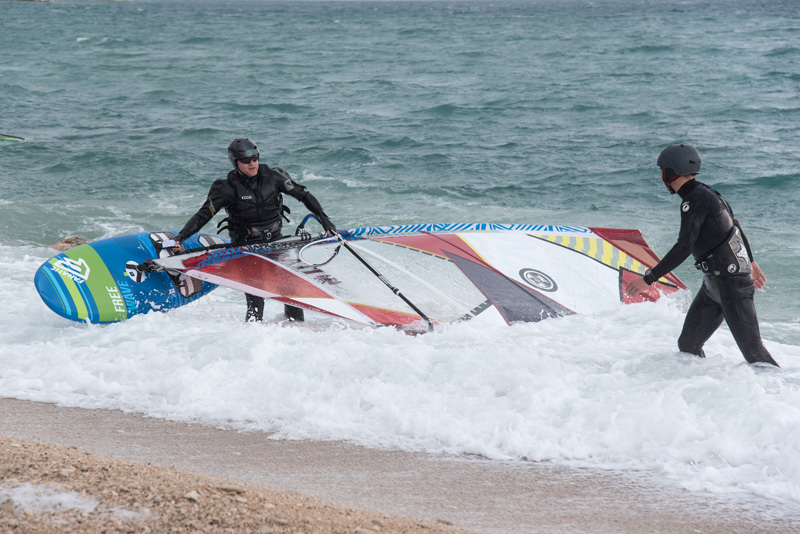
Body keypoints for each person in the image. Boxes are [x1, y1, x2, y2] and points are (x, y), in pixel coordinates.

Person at [626, 144, 778, 367]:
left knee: (755, 354)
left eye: (663, 171)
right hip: (713, 285)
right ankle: (708, 385)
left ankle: (782, 387)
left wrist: (648, 279)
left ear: (671, 172)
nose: (662, 177)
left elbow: (684, 247)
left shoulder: (696, 199)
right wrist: (751, 262)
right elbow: (735, 225)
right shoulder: (706, 193)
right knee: (689, 344)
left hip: (731, 285)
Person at [166, 138, 337, 323]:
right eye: (246, 160)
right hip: (245, 248)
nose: (252, 163)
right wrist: (180, 237)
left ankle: (296, 331)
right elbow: (203, 215)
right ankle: (251, 336)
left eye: (255, 158)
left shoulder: (274, 177)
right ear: (235, 162)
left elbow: (304, 195)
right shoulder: (225, 188)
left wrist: (325, 220)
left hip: (275, 243)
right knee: (256, 298)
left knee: (291, 291)